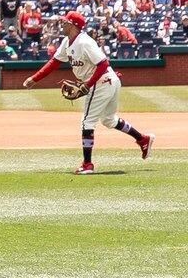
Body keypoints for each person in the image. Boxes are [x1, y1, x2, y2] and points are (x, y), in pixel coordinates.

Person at [21, 12, 152, 174]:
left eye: (65, 22)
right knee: (109, 120)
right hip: (109, 81)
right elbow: (54, 62)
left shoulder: (84, 42)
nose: (62, 25)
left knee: (86, 122)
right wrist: (35, 79)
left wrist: (87, 85)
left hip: (102, 81)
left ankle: (87, 164)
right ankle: (142, 139)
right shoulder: (67, 42)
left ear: (73, 25)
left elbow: (103, 64)